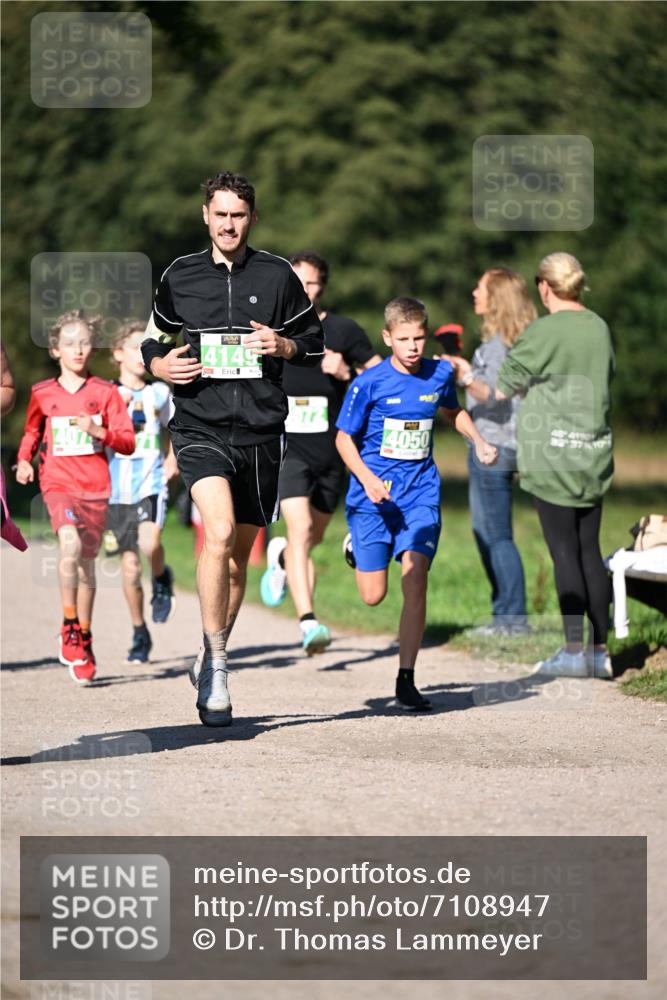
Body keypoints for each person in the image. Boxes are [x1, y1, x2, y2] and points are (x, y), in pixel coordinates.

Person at [141, 171, 324, 727]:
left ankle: (208, 651)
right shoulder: (180, 275)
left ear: (252, 218)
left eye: (238, 215)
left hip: (262, 434)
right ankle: (219, 667)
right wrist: (158, 364)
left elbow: (314, 345)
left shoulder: (278, 275)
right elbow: (153, 337)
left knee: (238, 562)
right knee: (217, 533)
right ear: (206, 216)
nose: (228, 224)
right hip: (200, 426)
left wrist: (283, 343)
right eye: (219, 214)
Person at [335, 297, 497, 710]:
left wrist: (478, 441)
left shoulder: (439, 374)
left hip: (420, 493)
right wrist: (367, 479)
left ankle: (406, 678)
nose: (412, 346)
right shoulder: (369, 383)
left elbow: (453, 411)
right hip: (373, 497)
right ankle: (356, 544)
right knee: (373, 595)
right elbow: (343, 439)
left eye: (419, 338)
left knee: (416, 574)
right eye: (404, 339)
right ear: (387, 337)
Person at [496, 252, 614, 679]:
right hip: (593, 453)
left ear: (545, 287)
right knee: (589, 551)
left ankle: (573, 651)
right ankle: (600, 653)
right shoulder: (599, 326)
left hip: (552, 457)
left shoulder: (544, 330)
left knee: (564, 552)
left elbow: (503, 386)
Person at [260, 250, 381, 654]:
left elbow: (383, 377)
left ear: (322, 287)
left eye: (311, 283)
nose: (304, 290)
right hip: (288, 448)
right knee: (299, 530)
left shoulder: (343, 331)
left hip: (333, 451)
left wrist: (348, 372)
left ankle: (281, 559)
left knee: (313, 536)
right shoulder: (270, 334)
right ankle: (309, 622)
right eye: (297, 282)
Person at [16, 310, 135, 683]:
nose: (78, 350)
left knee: (86, 566)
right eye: (69, 344)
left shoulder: (106, 393)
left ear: (93, 348)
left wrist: (99, 432)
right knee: (68, 545)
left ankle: (84, 633)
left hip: (96, 489)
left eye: (84, 342)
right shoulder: (42, 393)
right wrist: (24, 460)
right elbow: (32, 432)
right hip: (58, 484)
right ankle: (68, 624)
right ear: (55, 350)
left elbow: (127, 441)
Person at [442, 268, 537, 636]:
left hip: (492, 448)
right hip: (504, 445)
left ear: (496, 297)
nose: (474, 292)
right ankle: (505, 616)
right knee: (489, 532)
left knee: (495, 534)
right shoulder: (516, 342)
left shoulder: (498, 347)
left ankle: (512, 620)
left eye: (480, 288)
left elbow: (494, 395)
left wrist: (464, 376)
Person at [106, 321, 179, 664]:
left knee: (150, 545)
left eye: (145, 347)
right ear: (117, 353)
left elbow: (177, 427)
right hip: (116, 489)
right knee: (130, 567)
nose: (140, 355)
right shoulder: (105, 393)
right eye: (134, 347)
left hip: (151, 481)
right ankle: (139, 631)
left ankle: (161, 578)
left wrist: (173, 459)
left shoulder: (160, 392)